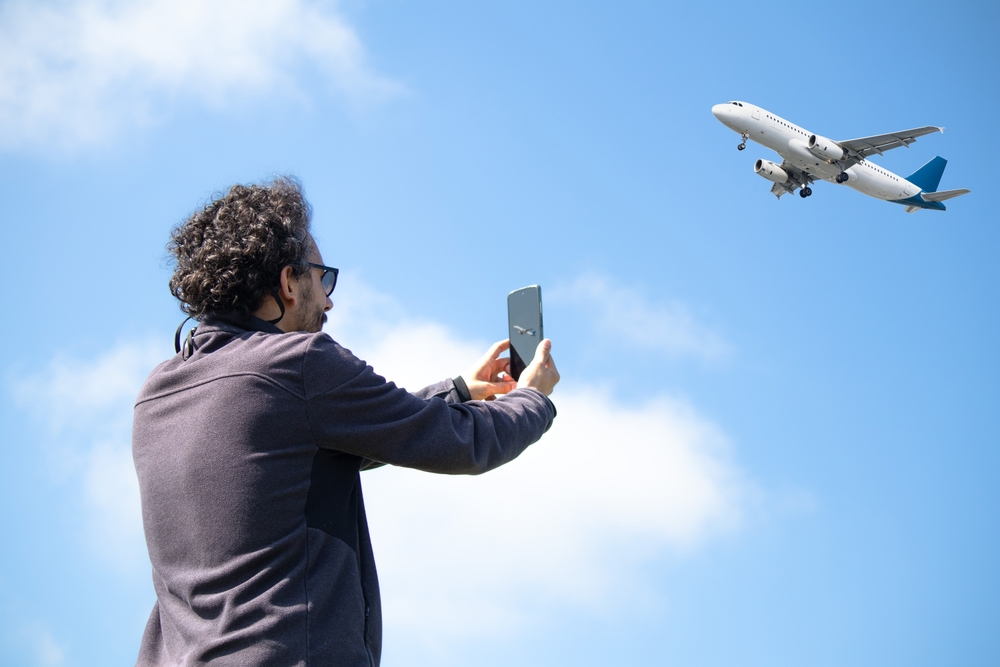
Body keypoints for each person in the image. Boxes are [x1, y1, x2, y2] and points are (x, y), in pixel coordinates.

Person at [131, 177, 559, 666]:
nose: (329, 300)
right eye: (323, 279)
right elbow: (461, 442)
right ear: (289, 283)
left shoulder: (156, 394)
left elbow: (317, 442)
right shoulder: (299, 363)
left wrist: (459, 389)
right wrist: (532, 397)